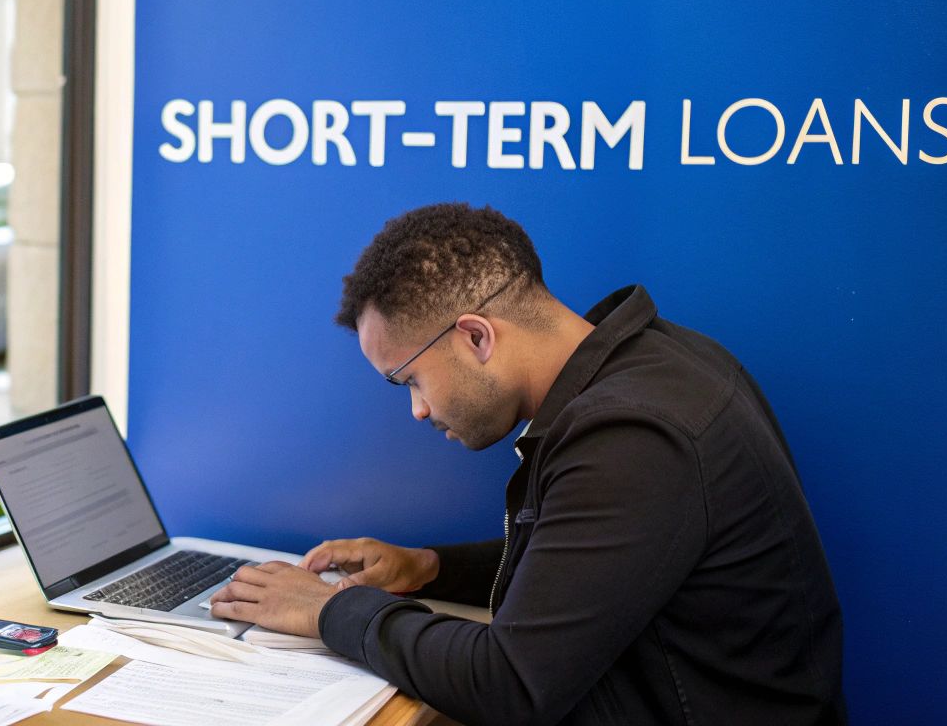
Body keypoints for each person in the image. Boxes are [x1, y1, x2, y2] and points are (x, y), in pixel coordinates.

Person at [209, 203, 846, 725]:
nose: (419, 412)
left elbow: (509, 684)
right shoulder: (662, 364)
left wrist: (326, 612)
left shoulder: (632, 437)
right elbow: (593, 564)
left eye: (411, 380)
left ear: (477, 336)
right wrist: (430, 569)